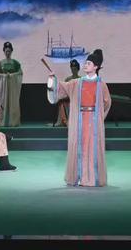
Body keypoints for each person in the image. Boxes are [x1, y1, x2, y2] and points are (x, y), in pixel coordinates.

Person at [47, 49, 111, 186]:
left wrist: (98, 117)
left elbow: (107, 103)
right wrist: (53, 80)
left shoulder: (101, 85)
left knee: (92, 148)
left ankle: (92, 178)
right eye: (86, 63)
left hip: (93, 122)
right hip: (79, 121)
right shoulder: (76, 83)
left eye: (89, 63)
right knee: (79, 146)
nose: (85, 65)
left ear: (96, 66)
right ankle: (78, 177)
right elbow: (62, 88)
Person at [0, 42, 23, 126]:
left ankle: (13, 122)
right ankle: (2, 121)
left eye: (9, 51)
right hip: (3, 88)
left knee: (13, 103)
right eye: (6, 51)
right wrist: (3, 76)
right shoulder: (1, 63)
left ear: (11, 51)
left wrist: (12, 75)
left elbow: (20, 73)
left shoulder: (15, 63)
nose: (8, 53)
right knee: (2, 102)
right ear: (4, 51)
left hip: (12, 87)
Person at [54, 59, 80, 127]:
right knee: (61, 103)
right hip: (69, 99)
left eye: (75, 69)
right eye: (72, 69)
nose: (73, 70)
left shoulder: (81, 79)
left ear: (78, 69)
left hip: (78, 100)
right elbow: (64, 91)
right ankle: (65, 121)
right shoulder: (67, 79)